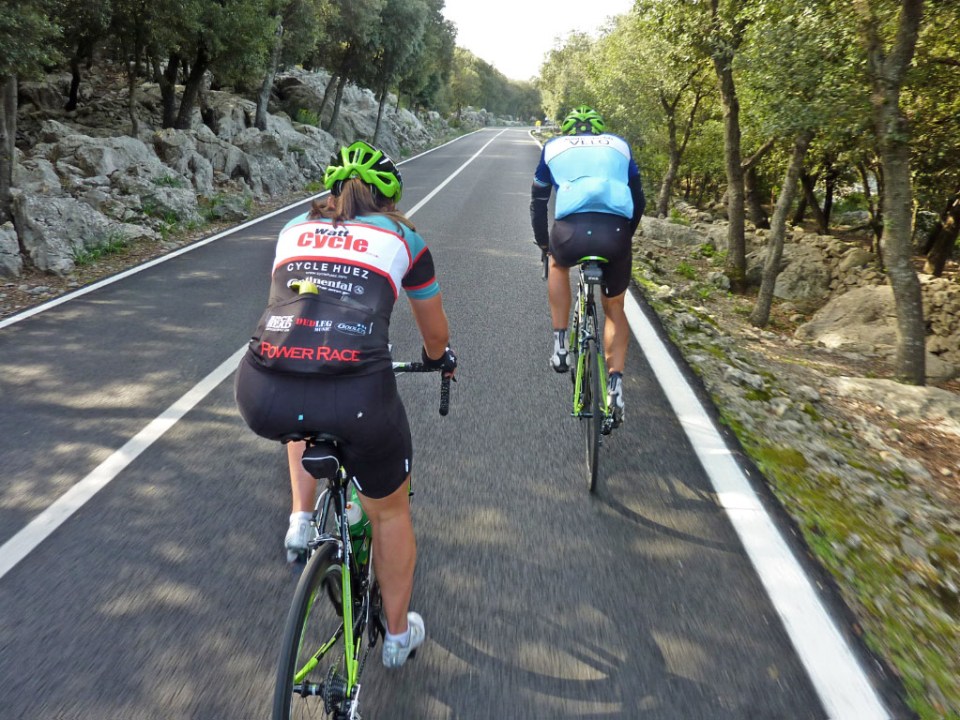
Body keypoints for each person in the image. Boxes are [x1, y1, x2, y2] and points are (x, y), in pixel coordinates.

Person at [235, 140, 457, 669]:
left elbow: (295, 308)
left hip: (261, 389)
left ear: (332, 191)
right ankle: (398, 637)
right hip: (357, 396)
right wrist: (439, 359)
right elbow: (434, 335)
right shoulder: (405, 237)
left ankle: (300, 519)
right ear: (390, 199)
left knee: (300, 408)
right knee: (389, 511)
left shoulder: (293, 228)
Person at [530, 105, 645, 427]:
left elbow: (538, 202)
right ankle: (615, 384)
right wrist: (625, 237)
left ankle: (560, 344)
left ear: (568, 130)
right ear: (599, 130)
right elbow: (639, 200)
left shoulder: (553, 147)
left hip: (570, 233)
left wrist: (544, 244)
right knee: (614, 309)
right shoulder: (620, 145)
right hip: (615, 232)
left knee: (557, 265)